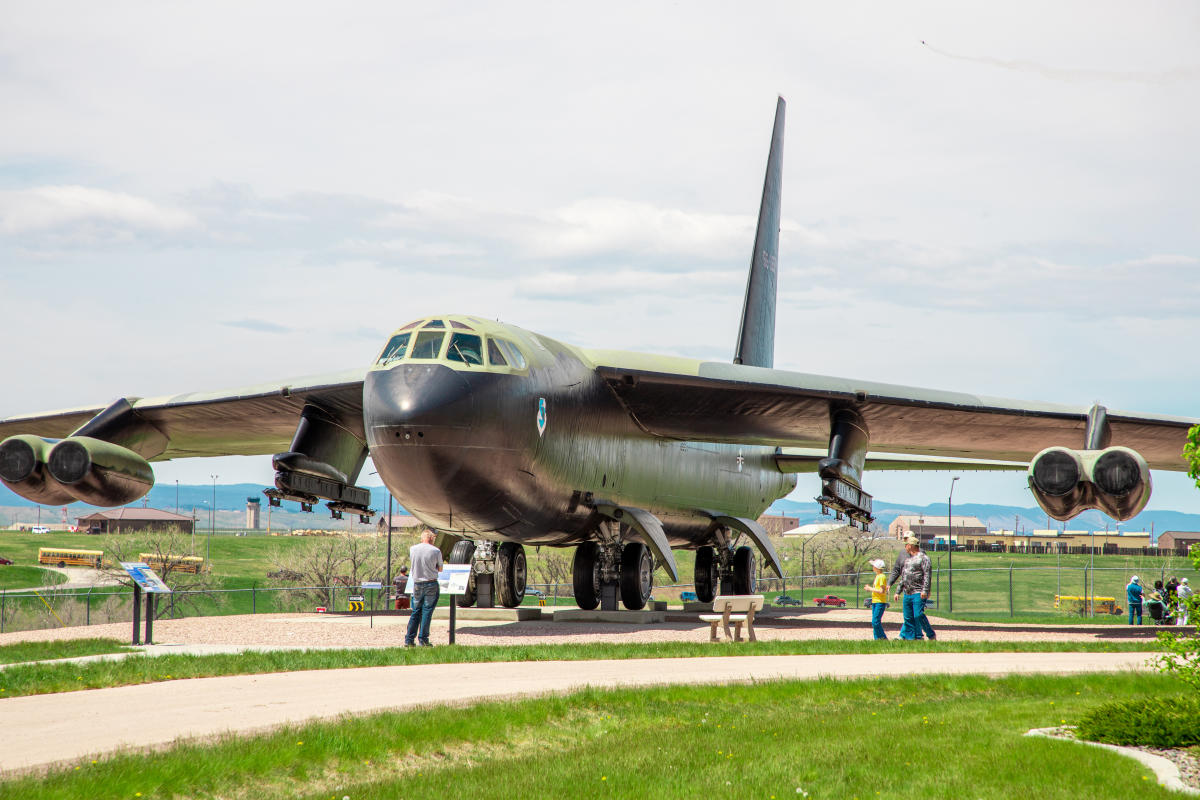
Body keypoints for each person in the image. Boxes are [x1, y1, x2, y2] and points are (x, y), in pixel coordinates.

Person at [405, 530, 443, 647]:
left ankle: (409, 640)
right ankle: (423, 639)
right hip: (431, 583)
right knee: (427, 612)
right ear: (432, 539)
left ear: (422, 538)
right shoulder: (435, 551)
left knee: (415, 611)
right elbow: (440, 569)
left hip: (417, 584)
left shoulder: (413, 549)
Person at [892, 535, 935, 641]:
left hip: (918, 592)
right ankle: (912, 639)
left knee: (918, 615)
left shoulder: (924, 558)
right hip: (907, 592)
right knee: (908, 617)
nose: (905, 547)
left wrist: (925, 590)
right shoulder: (907, 560)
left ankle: (931, 635)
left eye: (906, 545)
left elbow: (927, 575)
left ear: (910, 546)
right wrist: (898, 591)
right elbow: (904, 576)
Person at [863, 558, 889, 640]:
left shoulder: (881, 576)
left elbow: (882, 590)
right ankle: (877, 639)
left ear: (877, 568)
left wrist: (870, 589)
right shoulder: (878, 576)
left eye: (873, 566)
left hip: (880, 602)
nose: (872, 567)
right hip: (875, 601)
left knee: (875, 622)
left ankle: (883, 638)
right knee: (874, 622)